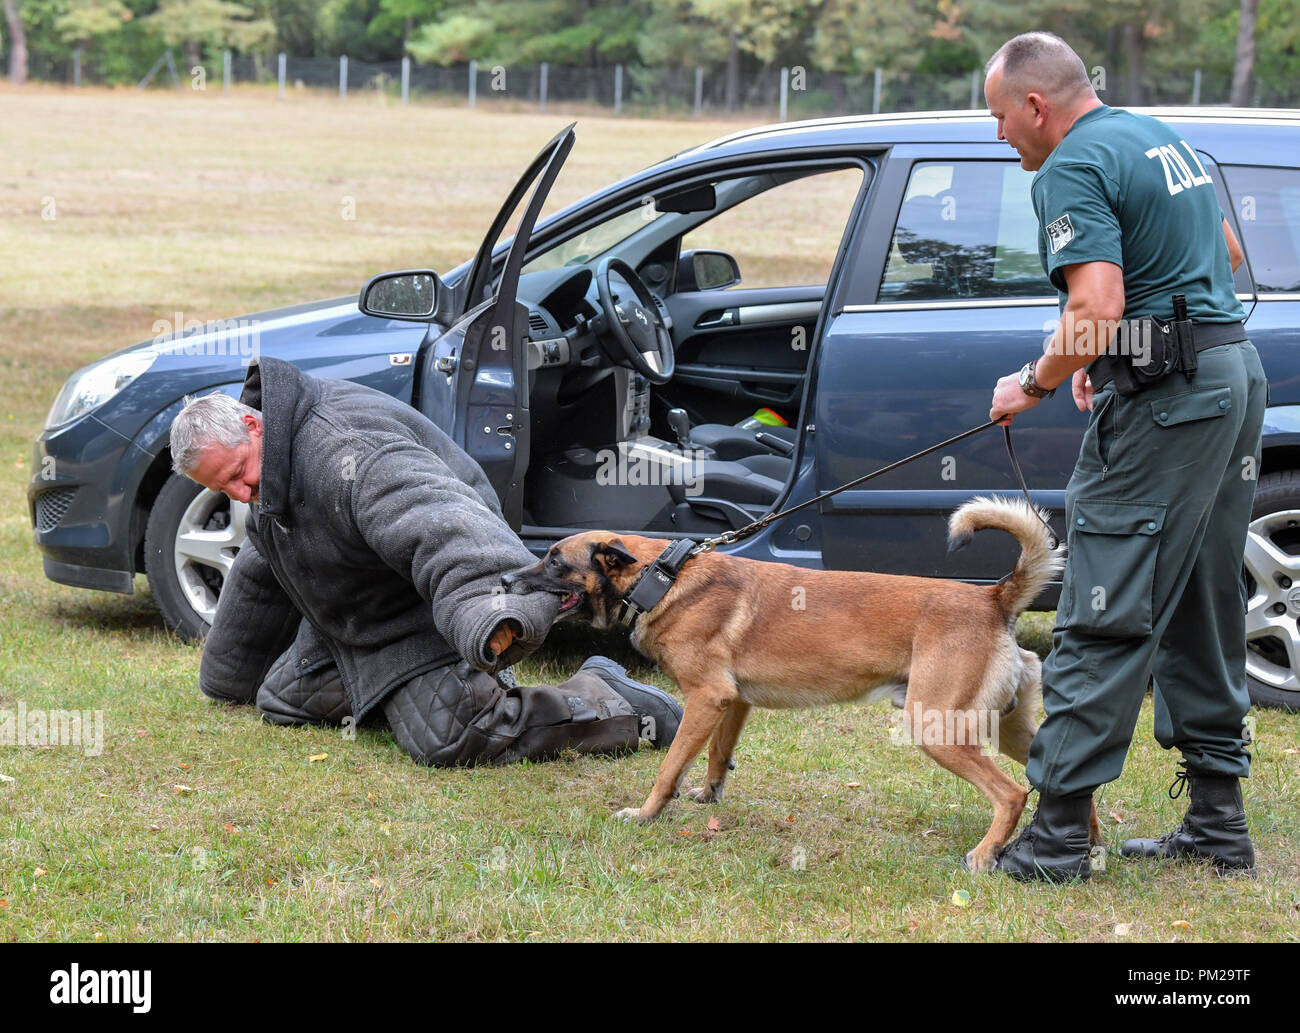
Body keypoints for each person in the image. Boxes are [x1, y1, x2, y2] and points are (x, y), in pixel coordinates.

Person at [983, 32, 1266, 881]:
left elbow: (1097, 299)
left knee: (1104, 601)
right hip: (1229, 374)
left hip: (1171, 407)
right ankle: (1218, 825)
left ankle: (1060, 838)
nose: (1001, 137)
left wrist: (1035, 379)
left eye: (1000, 118)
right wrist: (1106, 355)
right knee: (1201, 602)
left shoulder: (1071, 162)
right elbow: (1227, 255)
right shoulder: (1158, 135)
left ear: (1038, 106)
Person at [170, 355, 681, 767]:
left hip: (426, 609)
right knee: (284, 702)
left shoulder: (352, 456)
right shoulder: (273, 465)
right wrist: (230, 674)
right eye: (224, 489)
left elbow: (449, 530)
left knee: (450, 736)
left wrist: (493, 610)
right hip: (358, 621)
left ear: (251, 425)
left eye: (238, 474)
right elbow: (266, 559)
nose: (241, 494)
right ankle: (405, 699)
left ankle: (613, 698)